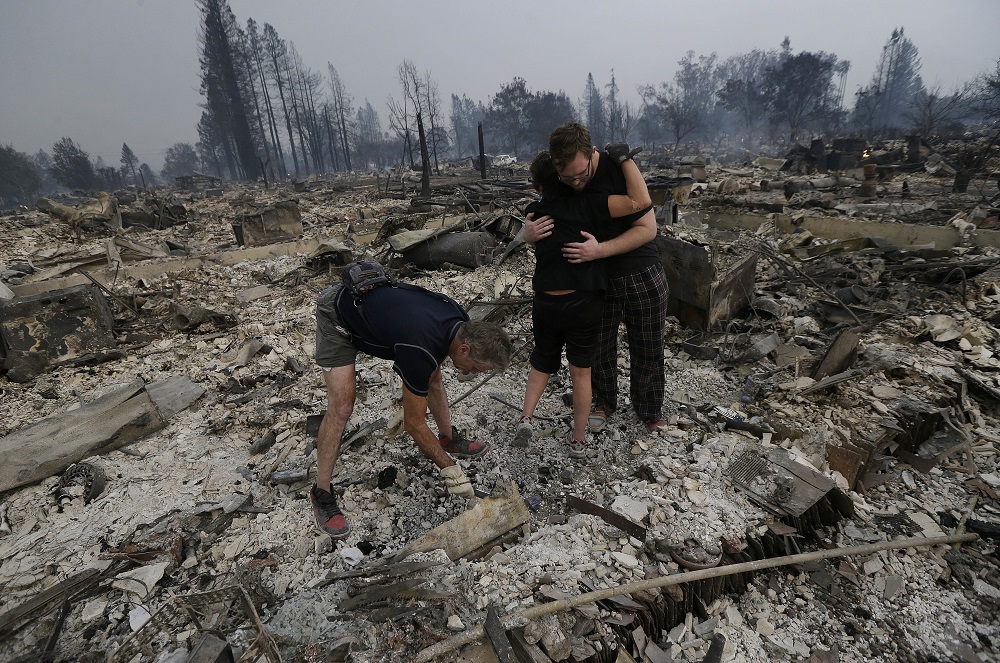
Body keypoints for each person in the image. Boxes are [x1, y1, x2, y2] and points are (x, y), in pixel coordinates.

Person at [311, 272, 513, 538]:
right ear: (463, 350)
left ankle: (447, 437)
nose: (474, 373)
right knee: (342, 407)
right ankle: (321, 493)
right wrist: (450, 469)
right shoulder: (421, 349)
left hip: (375, 306)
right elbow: (413, 424)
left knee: (434, 375)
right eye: (476, 367)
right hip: (339, 316)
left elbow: (430, 369)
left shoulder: (459, 320)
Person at [523, 122, 670, 434]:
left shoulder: (620, 172)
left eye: (582, 174)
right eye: (568, 177)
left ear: (592, 153)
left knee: (647, 346)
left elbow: (648, 228)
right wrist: (528, 235)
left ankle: (649, 410)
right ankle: (604, 402)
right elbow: (549, 218)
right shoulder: (563, 179)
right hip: (592, 283)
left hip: (639, 270)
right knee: (598, 350)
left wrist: (600, 251)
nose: (577, 182)